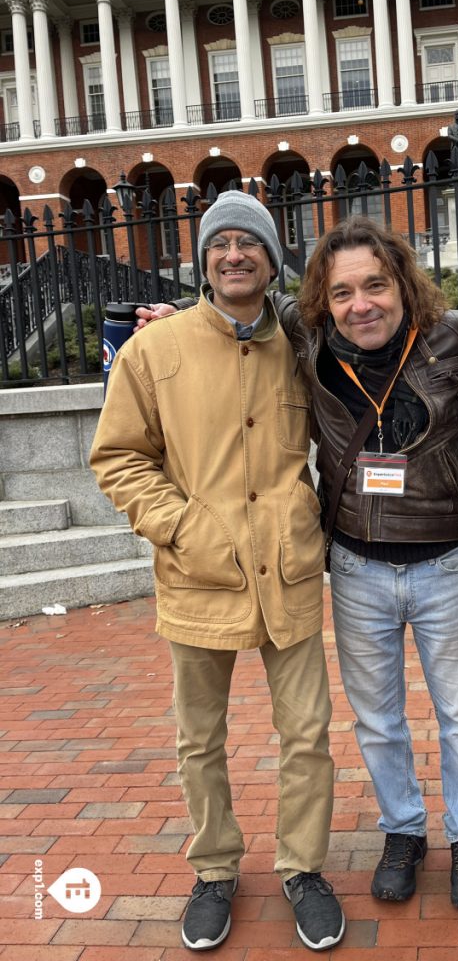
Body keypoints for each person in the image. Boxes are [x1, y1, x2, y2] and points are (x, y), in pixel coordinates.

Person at [148, 212, 458, 910]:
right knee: (377, 718)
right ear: (322, 301)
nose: (360, 304)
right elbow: (245, 301)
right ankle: (403, 830)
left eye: (375, 285)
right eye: (342, 292)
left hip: (444, 562)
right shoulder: (307, 340)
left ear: (403, 283)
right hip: (357, 566)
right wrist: (183, 315)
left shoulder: (457, 337)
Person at [90, 190, 345, 954]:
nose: (235, 255)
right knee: (199, 739)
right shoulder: (154, 351)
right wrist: (183, 530)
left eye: (250, 243)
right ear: (203, 261)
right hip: (197, 575)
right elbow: (118, 457)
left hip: (287, 571)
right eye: (221, 243)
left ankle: (303, 866)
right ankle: (214, 869)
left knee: (307, 734)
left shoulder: (302, 345)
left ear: (271, 260)